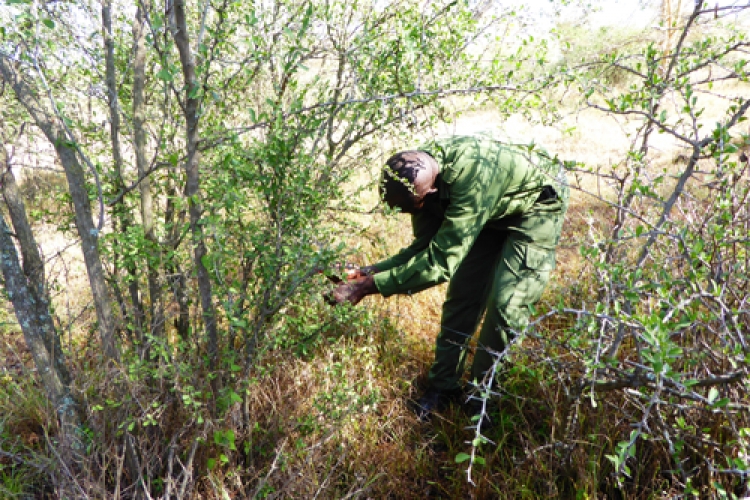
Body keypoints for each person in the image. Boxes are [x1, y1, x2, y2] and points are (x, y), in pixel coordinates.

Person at [329, 135, 568, 420]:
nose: (404, 214)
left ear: (428, 195)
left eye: (408, 208)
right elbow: (423, 248)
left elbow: (440, 263)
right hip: (487, 210)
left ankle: (483, 401)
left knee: (506, 306)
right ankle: (443, 388)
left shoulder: (468, 183)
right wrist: (367, 272)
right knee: (463, 297)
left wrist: (368, 288)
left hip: (536, 205)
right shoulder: (414, 176)